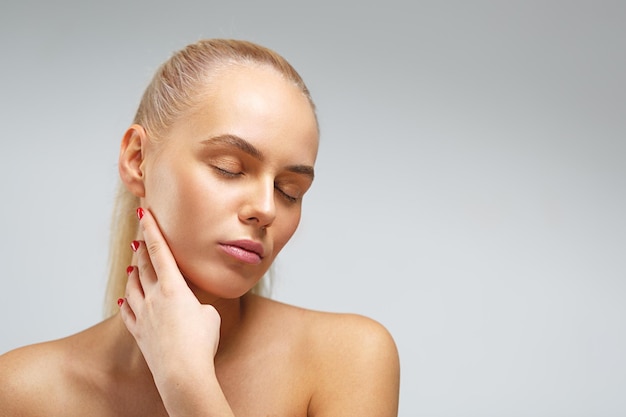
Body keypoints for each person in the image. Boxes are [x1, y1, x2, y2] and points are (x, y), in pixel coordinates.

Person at [0, 39, 400, 416]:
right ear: (138, 160)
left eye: (289, 191)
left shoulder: (348, 358)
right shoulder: (21, 391)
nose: (265, 209)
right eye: (229, 169)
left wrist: (189, 386)